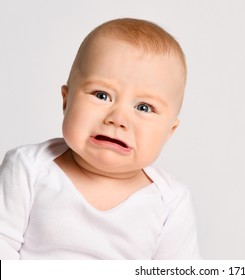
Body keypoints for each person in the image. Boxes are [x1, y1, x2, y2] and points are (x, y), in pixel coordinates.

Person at [0, 18, 200, 259]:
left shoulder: (170, 202)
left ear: (169, 132)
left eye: (144, 107)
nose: (117, 118)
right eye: (102, 95)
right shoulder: (28, 169)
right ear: (66, 100)